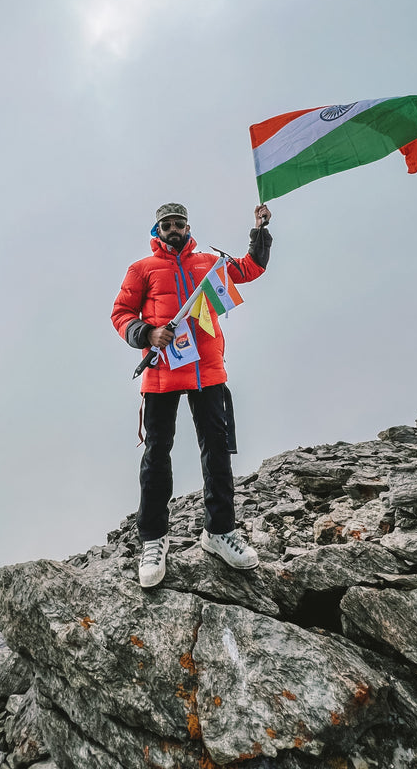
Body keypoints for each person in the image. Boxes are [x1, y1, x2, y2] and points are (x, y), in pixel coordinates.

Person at [111, 202, 272, 587]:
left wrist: (260, 231)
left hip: (208, 374)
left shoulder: (208, 264)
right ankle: (153, 540)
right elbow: (121, 313)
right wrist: (148, 334)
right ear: (157, 230)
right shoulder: (142, 270)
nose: (172, 229)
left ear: (188, 226)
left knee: (217, 451)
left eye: (178, 223)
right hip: (162, 374)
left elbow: (250, 269)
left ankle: (219, 532)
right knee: (156, 457)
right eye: (165, 225)